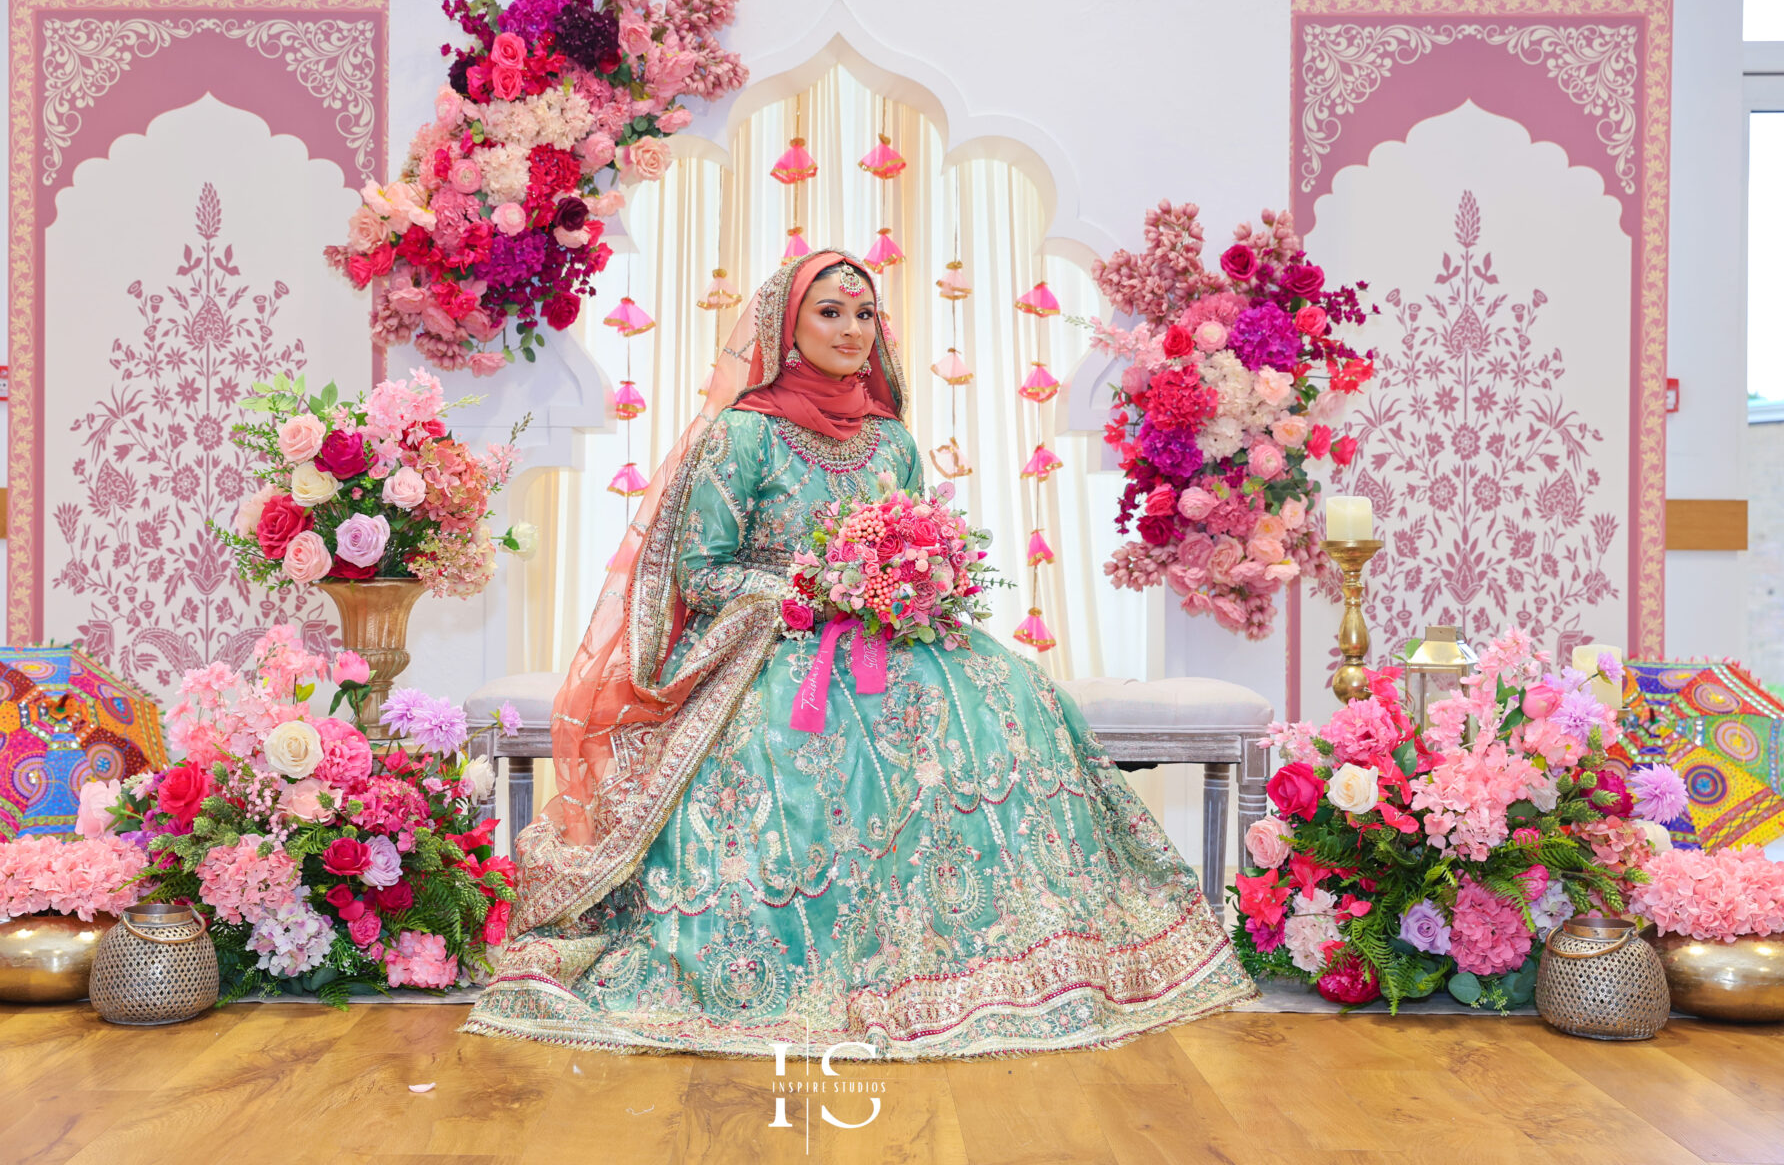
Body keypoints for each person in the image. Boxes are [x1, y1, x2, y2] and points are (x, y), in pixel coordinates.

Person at [463, 249, 1257, 1059]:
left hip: (894, 635)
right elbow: (701, 574)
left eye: (864, 314)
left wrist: (916, 583)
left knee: (1011, 695)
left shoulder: (890, 441)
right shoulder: (742, 434)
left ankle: (985, 958)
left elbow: (913, 540)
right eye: (830, 312)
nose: (851, 329)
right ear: (787, 326)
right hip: (772, 646)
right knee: (811, 743)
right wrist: (815, 590)